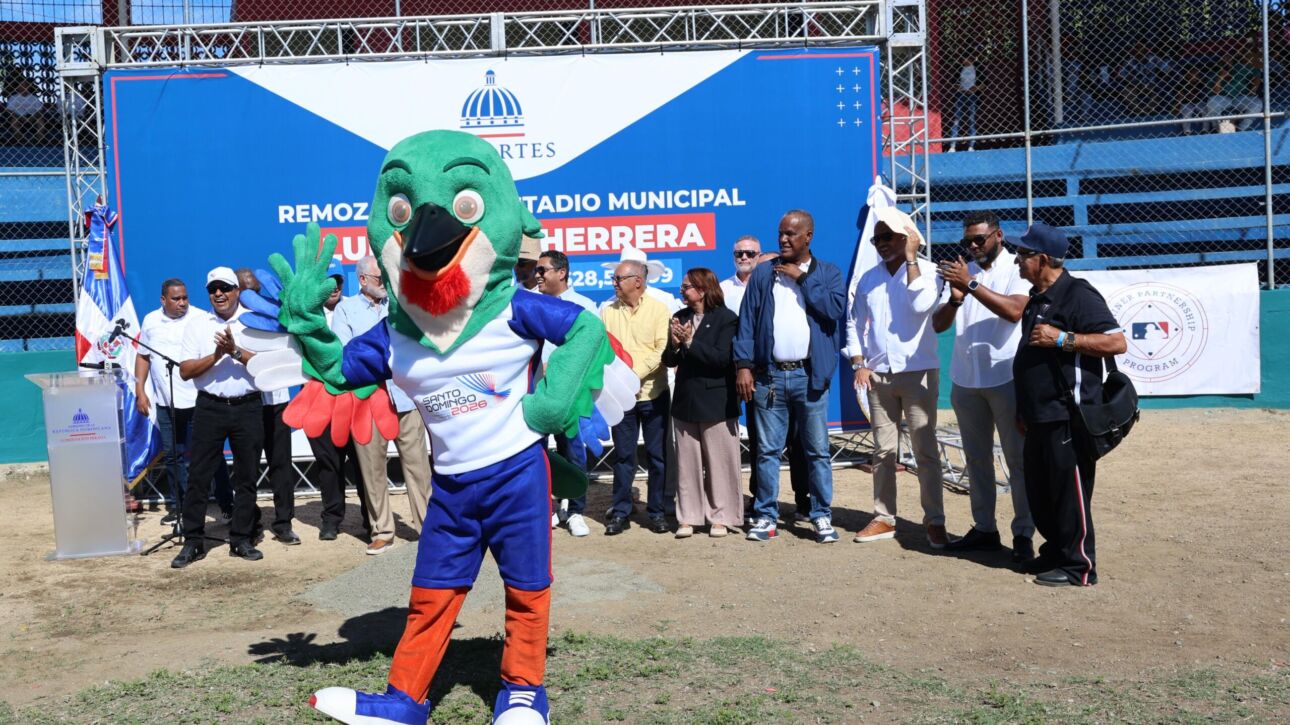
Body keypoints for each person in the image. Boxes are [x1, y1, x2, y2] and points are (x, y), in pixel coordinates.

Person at [1011, 223, 1126, 587]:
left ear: (1043, 259)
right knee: (1042, 492)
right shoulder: (1037, 297)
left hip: (1068, 414)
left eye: (1024, 254)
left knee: (1069, 492)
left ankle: (1079, 566)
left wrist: (1063, 339)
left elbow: (1116, 342)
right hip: (1039, 414)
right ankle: (1056, 553)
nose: (1017, 259)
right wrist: (1023, 408)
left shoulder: (1077, 293)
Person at [734, 209, 846, 544]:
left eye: (791, 234)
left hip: (809, 377)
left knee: (817, 451)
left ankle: (821, 515)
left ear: (808, 236)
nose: (783, 239)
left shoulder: (827, 272)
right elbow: (747, 323)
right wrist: (743, 365)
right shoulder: (764, 273)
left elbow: (833, 310)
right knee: (766, 451)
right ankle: (766, 515)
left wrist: (802, 278)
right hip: (769, 377)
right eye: (781, 233)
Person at [931, 211, 1034, 563]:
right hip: (966, 376)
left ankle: (1023, 533)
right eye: (968, 241)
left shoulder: (1017, 267)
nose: (973, 246)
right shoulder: (965, 271)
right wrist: (956, 298)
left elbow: (1015, 311)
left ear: (998, 236)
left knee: (1018, 460)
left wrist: (971, 286)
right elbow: (939, 325)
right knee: (976, 460)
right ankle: (985, 529)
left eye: (980, 239)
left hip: (1005, 375)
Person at [848, 208, 948, 549]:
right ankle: (884, 517)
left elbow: (921, 305)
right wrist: (858, 361)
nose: (880, 244)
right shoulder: (868, 278)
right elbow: (854, 322)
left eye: (887, 237)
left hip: (918, 372)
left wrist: (911, 259)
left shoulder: (930, 272)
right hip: (879, 375)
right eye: (877, 239)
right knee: (883, 451)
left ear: (908, 236)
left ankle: (935, 520)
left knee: (925, 451)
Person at [332, 255, 433, 555]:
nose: (385, 284)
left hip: (405, 395)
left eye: (388, 278)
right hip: (367, 398)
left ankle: (427, 528)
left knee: (418, 466)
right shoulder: (345, 309)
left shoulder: (400, 306)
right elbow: (346, 353)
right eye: (380, 279)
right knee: (371, 468)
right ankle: (382, 530)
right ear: (362, 280)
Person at [171, 267, 267, 568]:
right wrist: (217, 355)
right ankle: (193, 542)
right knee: (199, 476)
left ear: (237, 290)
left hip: (248, 406)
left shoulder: (255, 321)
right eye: (213, 289)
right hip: (210, 407)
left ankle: (241, 539)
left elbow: (267, 365)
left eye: (225, 288)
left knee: (247, 476)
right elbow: (185, 371)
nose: (219, 294)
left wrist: (235, 351)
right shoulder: (197, 325)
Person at [721, 235, 810, 526]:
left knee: (799, 442)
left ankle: (804, 501)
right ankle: (759, 501)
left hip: (785, 373)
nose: (745, 257)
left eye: (751, 253)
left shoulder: (789, 287)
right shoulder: (723, 290)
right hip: (745, 375)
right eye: (740, 253)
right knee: (761, 445)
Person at [134, 278, 232, 525]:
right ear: (163, 300)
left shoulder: (201, 319)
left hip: (199, 400)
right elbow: (143, 356)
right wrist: (140, 390)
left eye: (185, 298)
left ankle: (226, 504)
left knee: (212, 455)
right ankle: (181, 508)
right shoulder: (150, 321)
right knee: (173, 456)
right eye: (176, 299)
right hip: (167, 402)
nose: (182, 303)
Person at [663, 268, 742, 538]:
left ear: (703, 289)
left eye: (686, 287)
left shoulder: (726, 319)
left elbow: (721, 360)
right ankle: (689, 517)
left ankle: (721, 516)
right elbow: (670, 361)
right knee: (687, 464)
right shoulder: (679, 317)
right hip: (686, 400)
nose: (681, 291)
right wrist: (674, 345)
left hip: (717, 400)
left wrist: (691, 342)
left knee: (720, 462)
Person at [601, 258, 671, 535]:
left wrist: (632, 377)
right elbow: (604, 350)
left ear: (637, 282)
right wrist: (621, 382)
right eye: (615, 279)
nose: (614, 283)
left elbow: (660, 351)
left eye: (619, 279)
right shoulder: (608, 312)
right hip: (620, 397)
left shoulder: (659, 310)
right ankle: (620, 512)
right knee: (623, 456)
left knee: (656, 457)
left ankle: (656, 511)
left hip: (653, 394)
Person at [236, 267, 300, 546]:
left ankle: (283, 523)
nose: (253, 294)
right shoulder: (233, 323)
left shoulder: (277, 317)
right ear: (235, 290)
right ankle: (249, 522)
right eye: (246, 289)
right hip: (248, 404)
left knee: (281, 466)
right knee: (246, 468)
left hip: (278, 402)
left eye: (256, 290)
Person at [305, 262, 368, 542]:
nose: (334, 287)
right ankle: (331, 519)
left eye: (339, 281)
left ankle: (372, 519)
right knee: (329, 464)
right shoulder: (306, 317)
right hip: (320, 399)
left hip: (355, 399)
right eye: (328, 282)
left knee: (364, 461)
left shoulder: (357, 309)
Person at [536, 250, 596, 537]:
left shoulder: (584, 307)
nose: (537, 276)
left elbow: (592, 352)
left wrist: (560, 370)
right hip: (536, 395)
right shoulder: (530, 304)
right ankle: (546, 508)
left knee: (573, 454)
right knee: (537, 454)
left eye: (542, 270)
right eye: (536, 270)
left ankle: (575, 511)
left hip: (569, 396)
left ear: (561, 272)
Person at [1207, 48, 1262, 132]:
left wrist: (1254, 87)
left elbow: (1256, 73)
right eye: (1225, 57)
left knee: (1257, 103)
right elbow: (1216, 92)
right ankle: (1216, 128)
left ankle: (1242, 128)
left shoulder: (1241, 67)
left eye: (1229, 57)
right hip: (1224, 98)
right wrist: (1220, 78)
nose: (1227, 59)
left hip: (1240, 97)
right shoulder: (1215, 71)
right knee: (1212, 101)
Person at [948, 56, 980, 152]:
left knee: (972, 119)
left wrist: (976, 88)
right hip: (960, 94)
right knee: (956, 119)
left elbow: (984, 82)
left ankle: (971, 145)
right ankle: (952, 146)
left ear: (971, 59)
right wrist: (958, 87)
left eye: (966, 58)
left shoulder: (977, 68)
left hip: (972, 95)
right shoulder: (959, 68)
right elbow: (953, 82)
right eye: (963, 59)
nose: (964, 60)